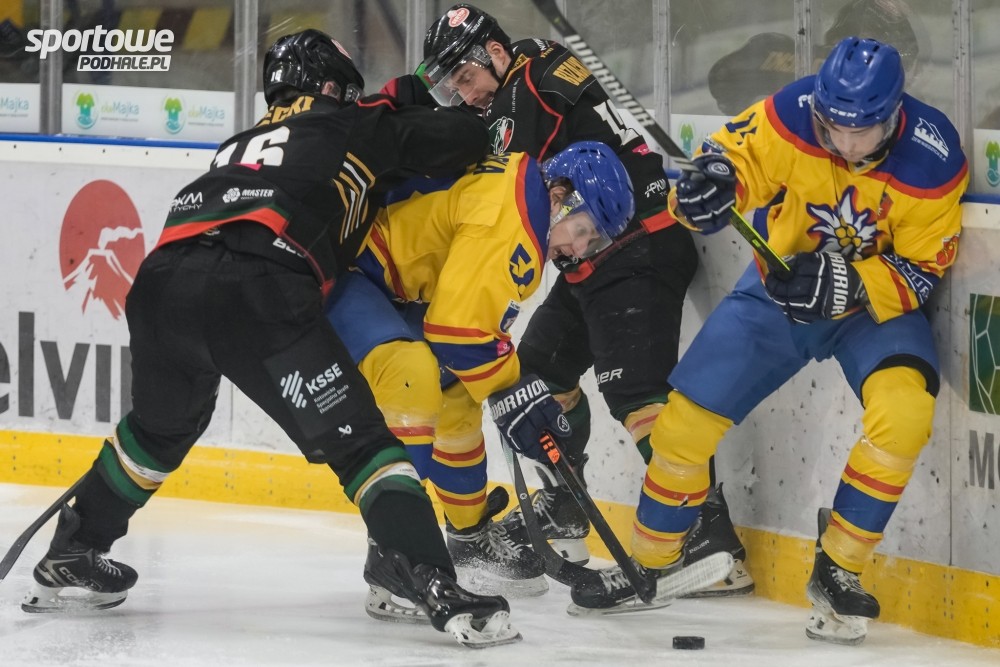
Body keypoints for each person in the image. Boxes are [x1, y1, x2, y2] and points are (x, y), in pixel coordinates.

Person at [20, 28, 521, 649]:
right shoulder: (356, 123)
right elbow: (465, 140)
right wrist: (417, 102)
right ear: (334, 86)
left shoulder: (237, 142)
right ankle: (431, 580)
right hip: (257, 286)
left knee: (157, 431)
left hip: (160, 282)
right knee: (363, 443)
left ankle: (73, 551)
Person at [562, 36, 967, 641]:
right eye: (832, 128)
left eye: (861, 134)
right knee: (682, 426)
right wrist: (707, 190)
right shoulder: (792, 112)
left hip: (872, 310)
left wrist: (852, 284)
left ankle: (839, 567)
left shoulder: (933, 159)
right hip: (778, 295)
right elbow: (729, 163)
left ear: (892, 117)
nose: (844, 145)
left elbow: (922, 270)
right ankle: (649, 562)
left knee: (905, 412)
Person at [414, 3, 751, 598]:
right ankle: (566, 510)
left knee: (636, 393)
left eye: (466, 78)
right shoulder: (535, 67)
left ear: (496, 53)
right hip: (592, 254)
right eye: (453, 87)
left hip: (637, 246)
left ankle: (701, 529)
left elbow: (500, 184)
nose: (464, 95)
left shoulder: (522, 95)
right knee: (537, 378)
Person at [326, 141, 634, 613]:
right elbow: (457, 332)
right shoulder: (515, 221)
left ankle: (469, 540)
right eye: (581, 229)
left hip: (393, 285)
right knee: (413, 375)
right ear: (560, 195)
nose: (577, 249)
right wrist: (514, 389)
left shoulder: (524, 194)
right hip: (345, 274)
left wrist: (510, 387)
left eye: (590, 241)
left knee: (456, 397)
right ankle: (395, 552)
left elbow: (465, 326)